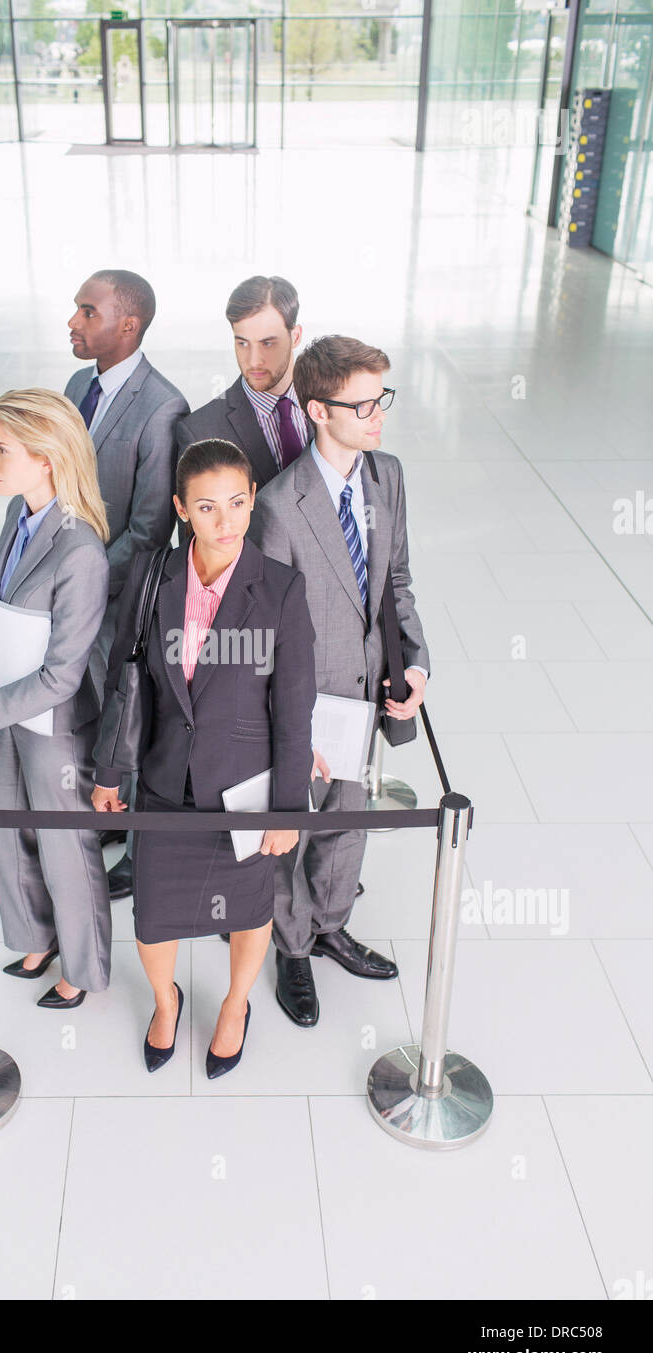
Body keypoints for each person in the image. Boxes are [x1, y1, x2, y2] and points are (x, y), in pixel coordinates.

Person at [91, 440, 317, 1078]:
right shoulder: (152, 574)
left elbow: (293, 710)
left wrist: (287, 811)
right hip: (164, 780)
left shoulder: (280, 589)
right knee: (154, 916)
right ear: (181, 509)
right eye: (208, 507)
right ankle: (166, 1001)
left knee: (248, 910)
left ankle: (236, 1005)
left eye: (239, 503)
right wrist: (110, 774)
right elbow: (123, 678)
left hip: (243, 790)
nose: (227, 520)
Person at [248, 336, 430, 1028]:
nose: (379, 414)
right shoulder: (280, 505)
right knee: (293, 829)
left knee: (349, 818)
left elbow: (397, 583)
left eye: (382, 398)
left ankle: (330, 924)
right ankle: (292, 947)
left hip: (367, 690)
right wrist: (287, 731)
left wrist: (414, 665)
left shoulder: (388, 477)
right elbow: (267, 635)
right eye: (364, 404)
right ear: (319, 411)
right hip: (309, 703)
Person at [0, 388, 113, 1009]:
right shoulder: (15, 518)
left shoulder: (81, 552)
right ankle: (34, 934)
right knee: (3, 822)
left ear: (46, 457)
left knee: (64, 847)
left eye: (2, 450)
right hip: (7, 703)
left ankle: (83, 968)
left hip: (51, 722)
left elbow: (64, 676)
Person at [64, 268, 189, 900]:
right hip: (76, 583)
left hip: (119, 591)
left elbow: (148, 529)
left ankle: (143, 850)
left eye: (88, 312)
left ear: (128, 324)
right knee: (88, 701)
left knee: (130, 714)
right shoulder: (76, 386)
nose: (73, 322)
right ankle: (106, 814)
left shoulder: (163, 405)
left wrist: (82, 580)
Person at [176, 275, 312, 491]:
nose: (253, 360)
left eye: (267, 343)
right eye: (242, 343)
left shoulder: (336, 403)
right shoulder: (199, 431)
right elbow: (195, 525)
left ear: (295, 337)